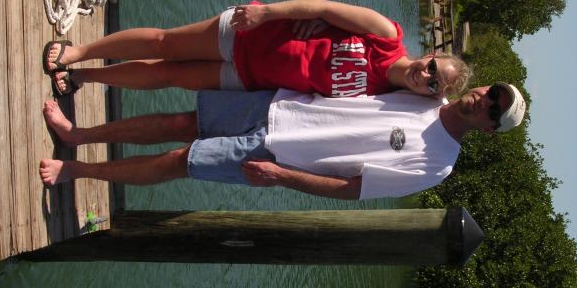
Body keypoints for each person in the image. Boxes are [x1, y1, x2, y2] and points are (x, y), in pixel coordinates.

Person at [38, 82, 526, 200]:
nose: (485, 101)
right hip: (282, 103)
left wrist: (282, 176)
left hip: (276, 153)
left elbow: (354, 189)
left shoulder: (438, 164)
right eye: (492, 94)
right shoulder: (427, 89)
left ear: (488, 129)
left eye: (494, 111)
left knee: (179, 160)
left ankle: (76, 171)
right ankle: (78, 135)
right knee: (180, 122)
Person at [42, 0, 472, 99]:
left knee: (166, 74)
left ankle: (82, 77)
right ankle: (78, 52)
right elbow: (324, 7)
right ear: (431, 56)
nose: (427, 77)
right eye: (434, 69)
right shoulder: (386, 36)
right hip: (252, 35)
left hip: (249, 78)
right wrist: (265, 13)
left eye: (435, 85)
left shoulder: (384, 100)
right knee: (165, 43)